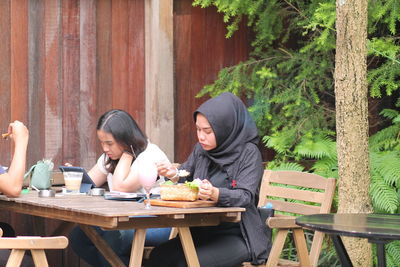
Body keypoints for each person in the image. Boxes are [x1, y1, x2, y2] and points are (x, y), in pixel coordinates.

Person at [152, 92, 271, 266]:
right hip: (202, 231)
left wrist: (216, 193)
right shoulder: (201, 150)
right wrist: (174, 175)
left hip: (238, 235)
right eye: (198, 130)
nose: (201, 136)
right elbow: (187, 177)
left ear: (225, 128)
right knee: (158, 257)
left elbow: (245, 197)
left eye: (207, 131)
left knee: (186, 263)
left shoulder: (248, 153)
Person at [69, 109, 171, 267]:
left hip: (158, 221)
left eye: (109, 143)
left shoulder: (150, 154)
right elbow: (87, 183)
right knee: (79, 236)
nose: (104, 148)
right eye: (101, 142)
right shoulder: (109, 157)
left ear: (125, 139)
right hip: (124, 220)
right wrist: (73, 175)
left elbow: (121, 187)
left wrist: (127, 152)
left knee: (112, 238)